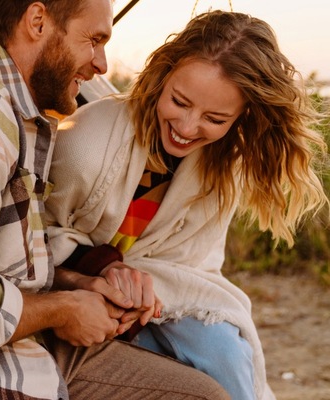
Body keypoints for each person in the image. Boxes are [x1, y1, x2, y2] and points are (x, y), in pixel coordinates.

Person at [0, 0, 231, 399]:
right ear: (37, 22)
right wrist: (64, 309)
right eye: (94, 40)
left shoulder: (13, 113)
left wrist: (81, 284)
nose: (101, 63)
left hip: (11, 348)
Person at [44, 10, 328, 400]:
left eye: (215, 118)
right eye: (179, 101)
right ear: (163, 75)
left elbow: (192, 271)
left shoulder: (223, 168)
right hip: (77, 296)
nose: (188, 127)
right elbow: (33, 238)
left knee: (225, 350)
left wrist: (140, 290)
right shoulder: (85, 143)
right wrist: (104, 268)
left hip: (158, 307)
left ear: (242, 115)